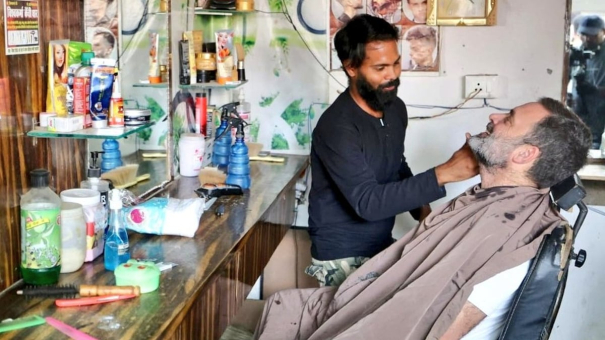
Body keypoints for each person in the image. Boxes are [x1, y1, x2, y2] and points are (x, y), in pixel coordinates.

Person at [254, 97, 591, 340]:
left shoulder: (509, 238)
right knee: (289, 305)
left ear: (524, 154)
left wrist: (442, 175)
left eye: (509, 119)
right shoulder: (496, 205)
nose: (494, 115)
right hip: (356, 278)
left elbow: (440, 326)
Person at [307, 15, 478, 287]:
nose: (393, 74)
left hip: (380, 242)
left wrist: (424, 214)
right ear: (351, 67)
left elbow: (396, 164)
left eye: (396, 63)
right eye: (380, 67)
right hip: (342, 254)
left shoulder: (394, 107)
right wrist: (443, 174)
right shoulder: (337, 127)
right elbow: (368, 203)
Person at [570, 15, 605, 149]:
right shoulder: (578, 51)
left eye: (592, 35)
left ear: (603, 32)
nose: (587, 39)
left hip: (600, 119)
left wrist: (596, 91)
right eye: (584, 34)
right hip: (580, 114)